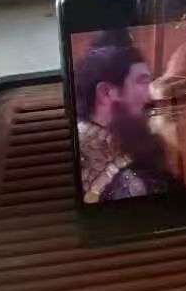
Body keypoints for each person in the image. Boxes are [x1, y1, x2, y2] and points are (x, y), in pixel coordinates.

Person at [75, 30, 178, 203]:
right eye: (141, 81)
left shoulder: (129, 144)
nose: (149, 98)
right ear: (106, 92)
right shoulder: (116, 175)